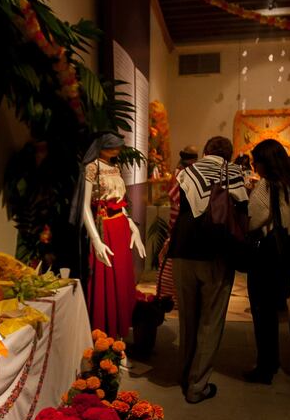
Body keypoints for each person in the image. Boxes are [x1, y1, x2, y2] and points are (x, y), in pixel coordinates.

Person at [168, 136, 248, 404]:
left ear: (205, 151)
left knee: (187, 318)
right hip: (216, 253)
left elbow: (179, 209)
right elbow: (242, 210)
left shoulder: (187, 171)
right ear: (229, 154)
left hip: (183, 251)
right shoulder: (234, 172)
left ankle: (182, 372)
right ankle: (197, 386)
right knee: (210, 321)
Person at [243, 139, 290, 385]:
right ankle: (272, 361)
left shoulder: (266, 187)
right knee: (272, 310)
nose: (254, 166)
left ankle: (265, 367)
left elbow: (254, 221)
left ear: (264, 162)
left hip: (265, 254)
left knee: (261, 312)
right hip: (286, 253)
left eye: (255, 161)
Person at [72, 133, 146, 338]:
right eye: (113, 147)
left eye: (119, 147)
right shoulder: (91, 168)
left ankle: (120, 332)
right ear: (102, 147)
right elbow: (85, 207)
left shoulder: (115, 168)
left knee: (122, 279)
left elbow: (121, 202)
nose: (118, 150)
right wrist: (96, 240)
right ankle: (104, 335)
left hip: (121, 227)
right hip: (104, 229)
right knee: (106, 280)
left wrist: (133, 226)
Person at [157, 145, 201, 307]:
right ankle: (172, 296)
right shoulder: (181, 174)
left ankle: (172, 295)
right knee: (174, 258)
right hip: (181, 219)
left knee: (173, 256)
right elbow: (180, 199)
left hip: (178, 218)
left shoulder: (180, 172)